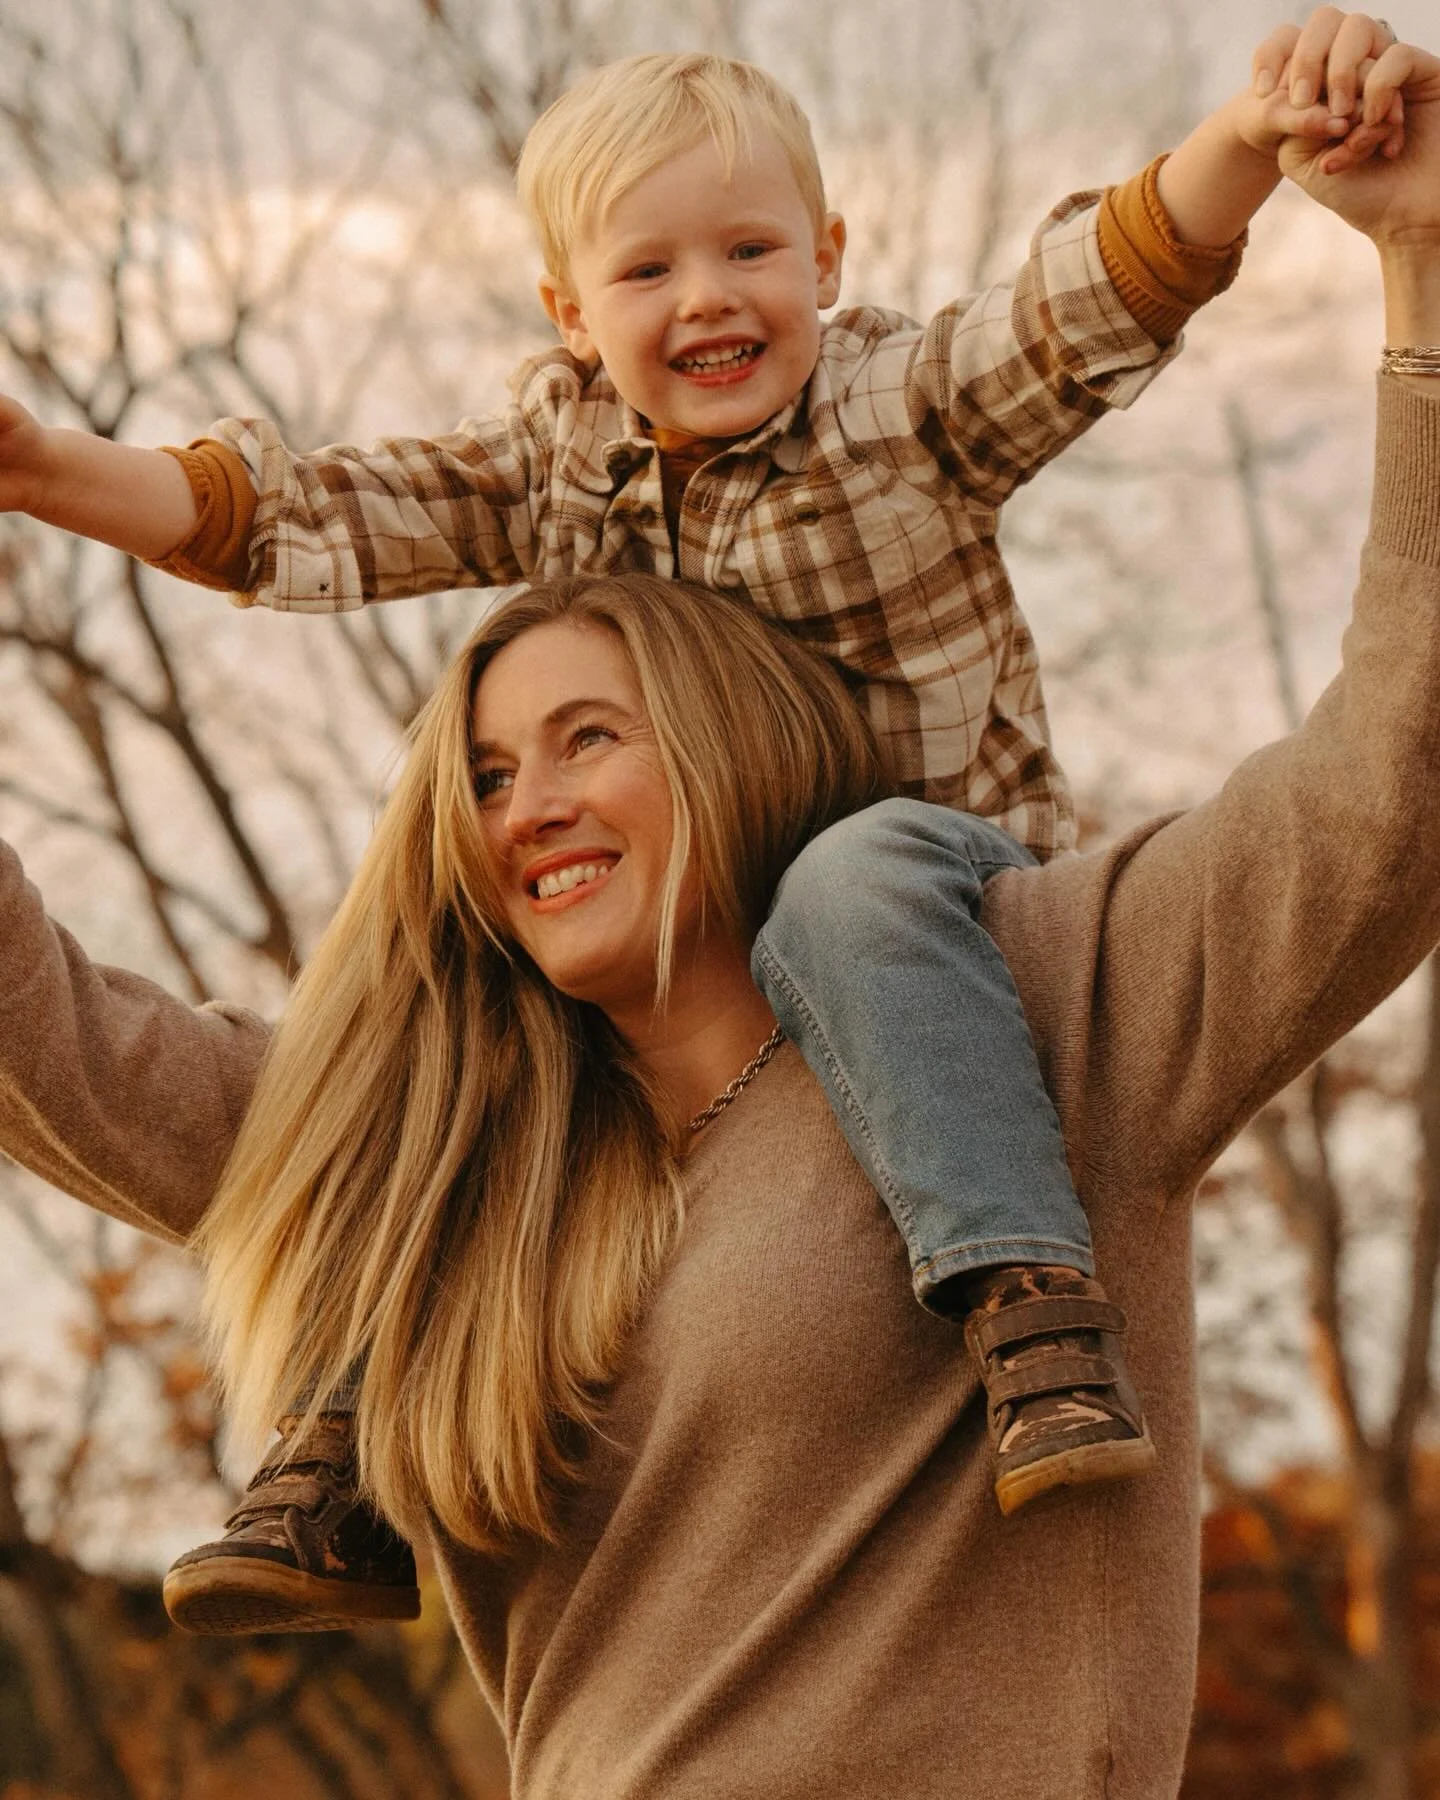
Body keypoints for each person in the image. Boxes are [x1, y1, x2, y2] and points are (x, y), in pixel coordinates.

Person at [0, 27, 1439, 1782]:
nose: (527, 804)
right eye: (488, 772)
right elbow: (58, 1031)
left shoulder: (1059, 995)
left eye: (585, 738)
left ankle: (1022, 1306)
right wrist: (51, 470)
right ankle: (337, 1450)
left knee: (858, 890)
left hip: (927, 888)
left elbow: (1383, 782)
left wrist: (1408, 263)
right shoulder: (447, 1110)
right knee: (411, 1113)